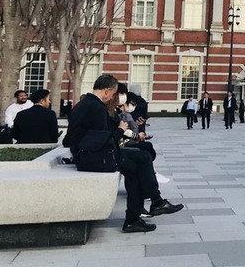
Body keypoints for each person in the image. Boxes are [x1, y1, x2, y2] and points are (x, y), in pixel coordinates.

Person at [66, 73, 182, 233]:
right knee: (143, 157)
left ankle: (138, 215)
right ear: (106, 91)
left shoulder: (85, 104)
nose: (113, 98)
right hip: (94, 157)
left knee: (136, 167)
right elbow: (105, 141)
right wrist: (121, 130)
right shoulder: (96, 108)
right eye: (113, 94)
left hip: (88, 154)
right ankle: (154, 203)